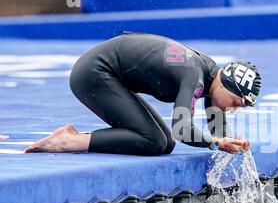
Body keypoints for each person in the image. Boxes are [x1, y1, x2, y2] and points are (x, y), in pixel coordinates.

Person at [24, 32, 262, 156]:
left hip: (110, 74)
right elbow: (182, 129)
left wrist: (230, 143)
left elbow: (217, 129)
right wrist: (214, 144)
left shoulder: (211, 76)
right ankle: (68, 141)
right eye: (235, 102)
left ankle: (74, 135)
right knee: (153, 141)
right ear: (225, 84)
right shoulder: (195, 76)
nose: (233, 109)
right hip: (93, 74)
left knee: (165, 144)